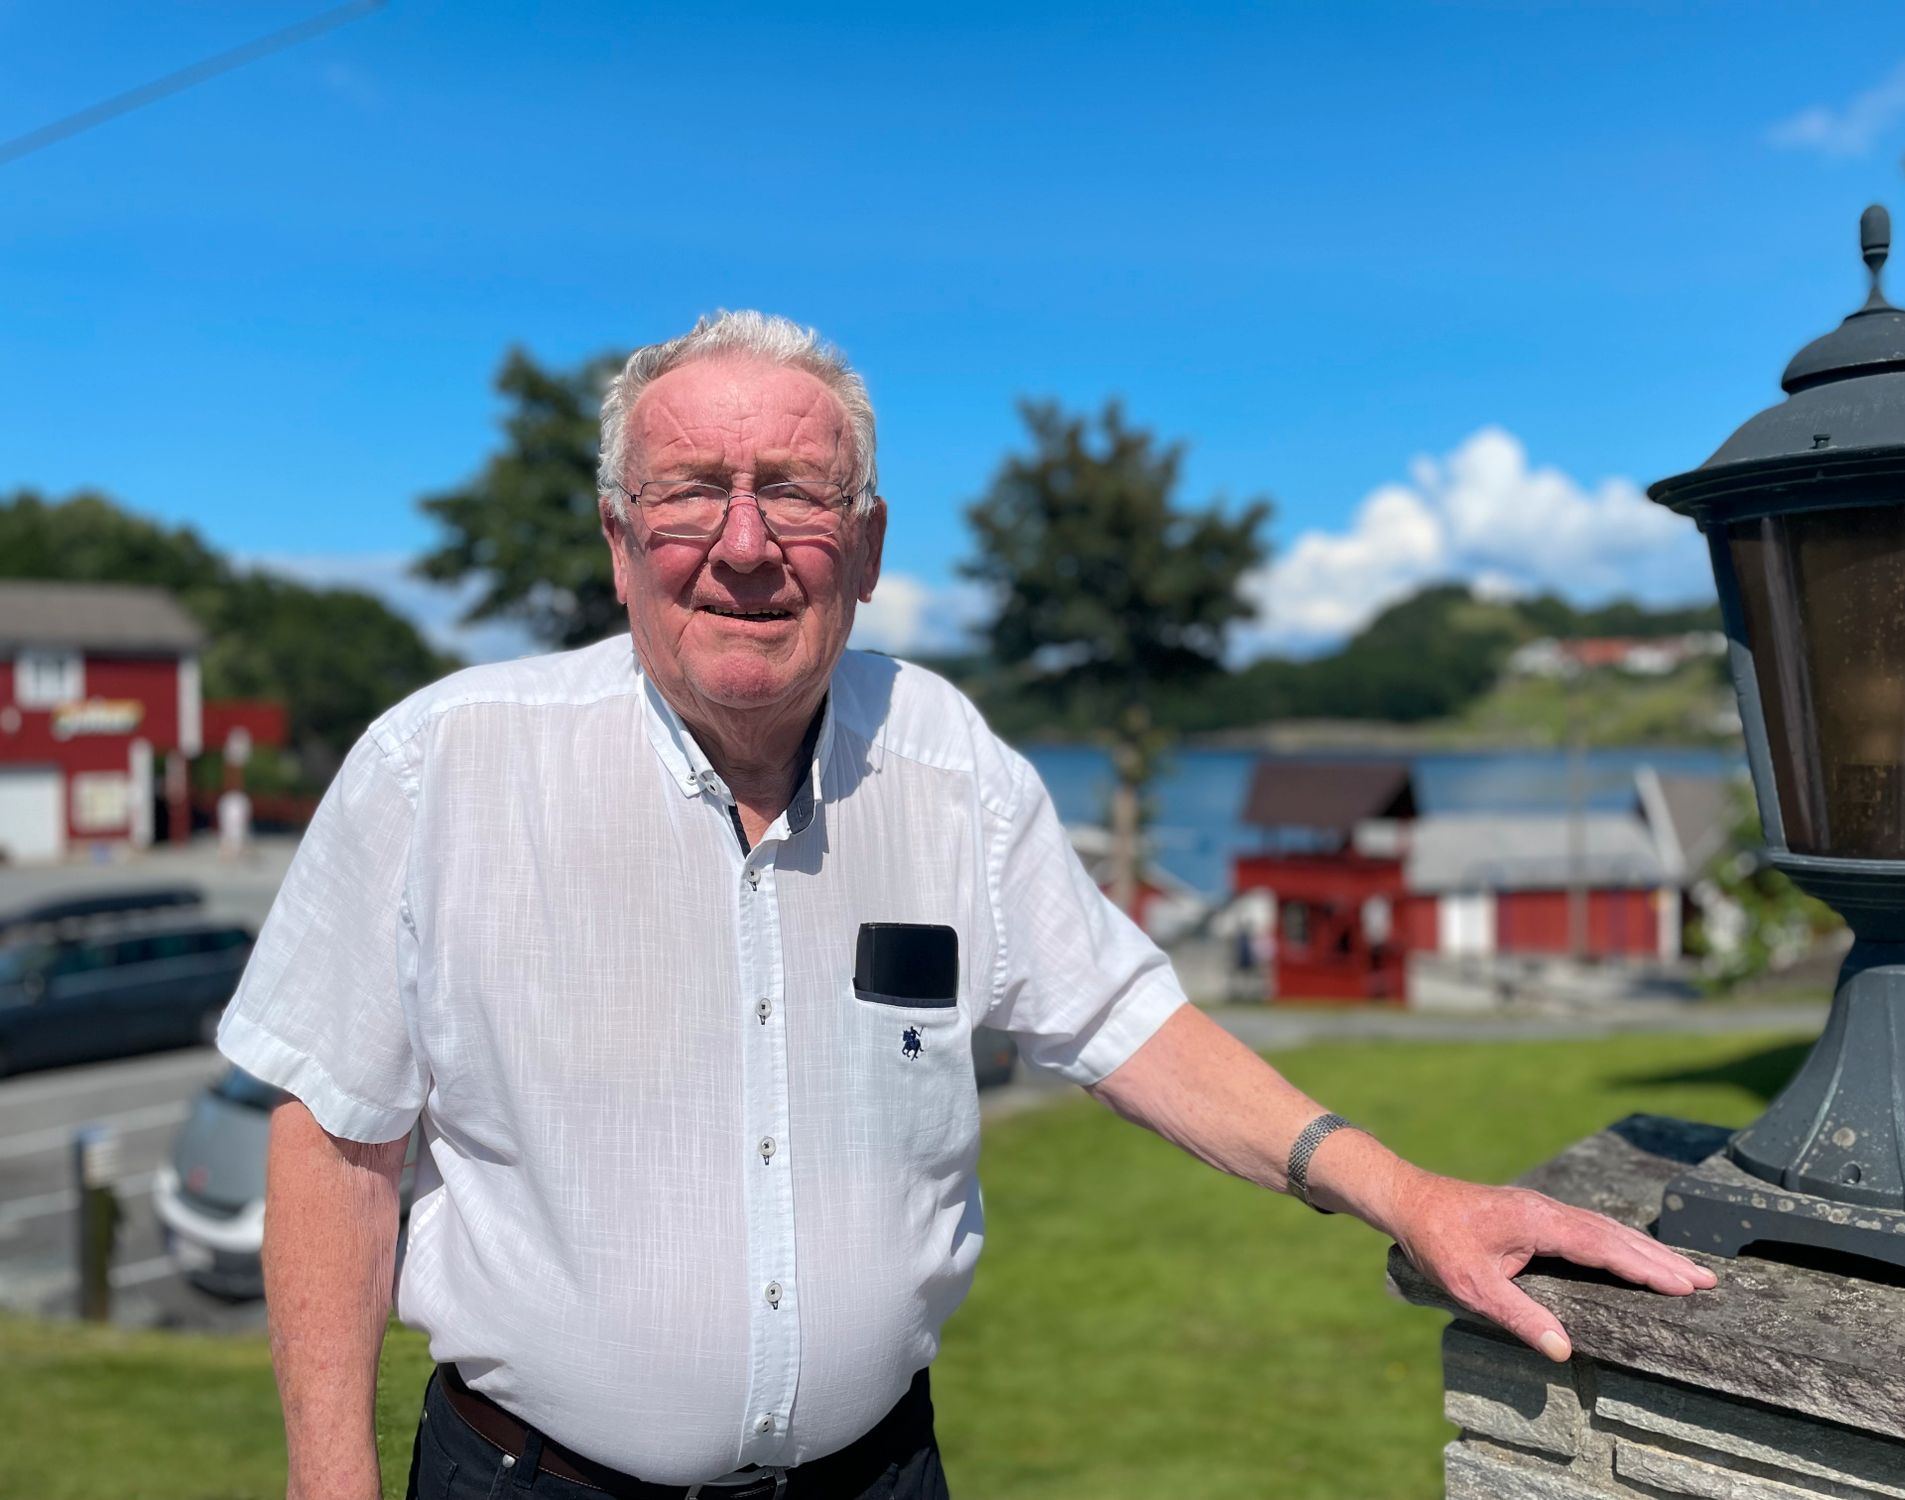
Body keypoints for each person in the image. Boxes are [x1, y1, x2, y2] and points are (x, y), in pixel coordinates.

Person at [219, 311, 1715, 1500]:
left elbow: (1125, 1020)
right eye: (692, 496)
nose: (745, 545)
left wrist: (1413, 1193)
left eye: (796, 496)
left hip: (879, 1475)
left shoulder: (944, 760)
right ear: (621, 545)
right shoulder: (442, 768)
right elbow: (339, 1136)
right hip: (527, 1483)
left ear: (864, 550)